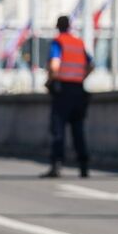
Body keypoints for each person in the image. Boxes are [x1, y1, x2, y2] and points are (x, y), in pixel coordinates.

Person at [41, 15, 93, 178]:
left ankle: (56, 165)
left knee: (58, 130)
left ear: (58, 26)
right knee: (78, 129)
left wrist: (49, 81)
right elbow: (90, 65)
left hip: (63, 90)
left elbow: (55, 66)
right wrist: (80, 78)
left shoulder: (59, 42)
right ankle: (83, 165)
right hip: (78, 90)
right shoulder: (78, 43)